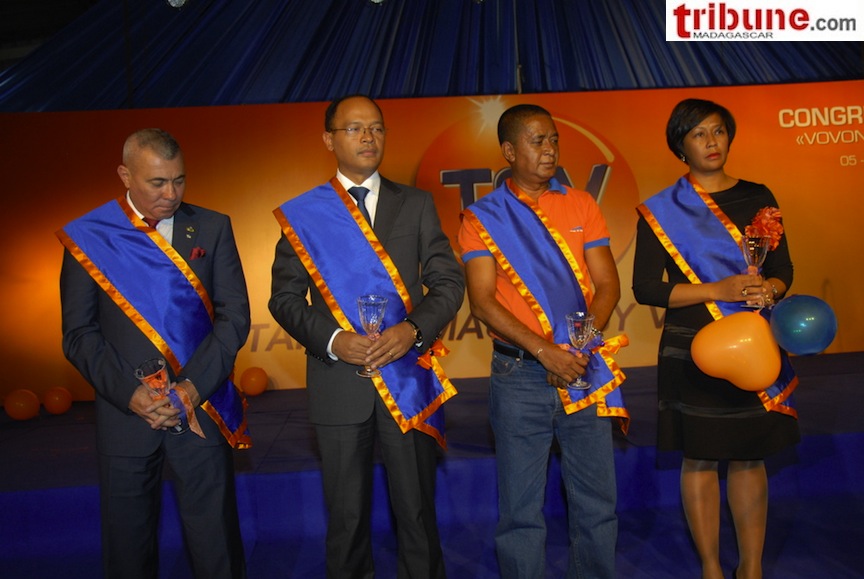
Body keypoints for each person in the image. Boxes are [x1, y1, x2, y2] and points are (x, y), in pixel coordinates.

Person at [268, 94, 464, 579]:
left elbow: (447, 282)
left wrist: (412, 329)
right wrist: (334, 340)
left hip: (406, 376)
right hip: (338, 383)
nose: (368, 137)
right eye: (354, 128)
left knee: (416, 513)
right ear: (328, 139)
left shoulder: (416, 204)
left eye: (376, 128)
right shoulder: (305, 214)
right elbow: (284, 299)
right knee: (347, 519)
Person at [57, 128, 251, 579]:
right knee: (128, 550)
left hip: (201, 409)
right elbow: (79, 334)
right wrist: (131, 395)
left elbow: (234, 318)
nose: (171, 194)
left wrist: (191, 389)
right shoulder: (90, 237)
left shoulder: (212, 227)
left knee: (216, 545)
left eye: (179, 180)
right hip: (126, 418)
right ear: (125, 175)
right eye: (157, 183)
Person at [457, 104, 627, 578]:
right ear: (509, 151)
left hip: (582, 368)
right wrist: (545, 350)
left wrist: (576, 347)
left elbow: (607, 285)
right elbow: (482, 302)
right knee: (520, 513)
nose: (549, 149)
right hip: (518, 375)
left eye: (554, 139)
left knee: (597, 504)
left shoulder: (581, 204)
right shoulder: (482, 217)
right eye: (537, 141)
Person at [632, 98, 800, 579]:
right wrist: (717, 290)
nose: (712, 142)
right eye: (699, 134)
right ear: (680, 146)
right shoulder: (661, 211)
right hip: (693, 346)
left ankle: (751, 568)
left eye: (719, 131)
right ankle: (710, 567)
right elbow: (646, 288)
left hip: (752, 342)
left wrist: (769, 289)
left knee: (749, 455)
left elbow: (783, 269)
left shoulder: (758, 195)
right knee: (700, 458)